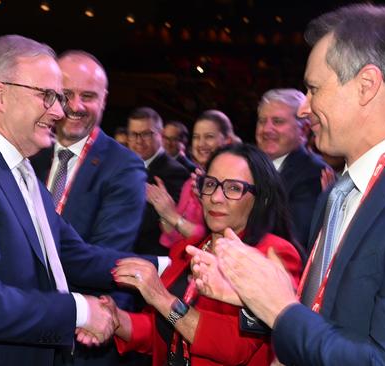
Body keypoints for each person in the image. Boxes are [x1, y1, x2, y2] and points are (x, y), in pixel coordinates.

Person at [190, 4, 385, 365]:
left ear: (366, 86)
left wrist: (280, 308)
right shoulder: (338, 192)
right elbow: (330, 319)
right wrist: (256, 298)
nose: (304, 108)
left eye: (313, 88)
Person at [0, 34, 158, 366]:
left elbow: (73, 256)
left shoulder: (18, 169)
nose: (59, 110)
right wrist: (79, 310)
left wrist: (168, 269)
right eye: (48, 96)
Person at [108, 144, 303, 366]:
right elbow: (161, 329)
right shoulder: (188, 248)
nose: (216, 197)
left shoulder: (272, 254)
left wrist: (162, 298)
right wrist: (116, 320)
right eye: (210, 184)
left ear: (262, 198)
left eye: (234, 188)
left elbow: (236, 347)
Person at [30, 50, 147, 365]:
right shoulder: (28, 154)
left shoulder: (124, 167)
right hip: (23, 330)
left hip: (83, 338)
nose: (76, 106)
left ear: (104, 99)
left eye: (89, 96)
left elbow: (103, 257)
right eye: (66, 94)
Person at [148, 110, 233, 249]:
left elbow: (215, 237)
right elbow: (172, 238)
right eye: (196, 137)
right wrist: (164, 210)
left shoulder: (232, 186)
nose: (201, 144)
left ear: (227, 141)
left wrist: (173, 216)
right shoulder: (190, 183)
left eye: (209, 137)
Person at [255, 88, 329, 247]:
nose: (266, 129)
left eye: (277, 121)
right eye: (262, 121)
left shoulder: (313, 174)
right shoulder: (249, 167)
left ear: (303, 130)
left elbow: (293, 242)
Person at [128, 107, 189, 256]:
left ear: (160, 135)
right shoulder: (124, 165)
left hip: (152, 258)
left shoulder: (175, 172)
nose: (138, 141)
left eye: (146, 134)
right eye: (134, 134)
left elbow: (156, 222)